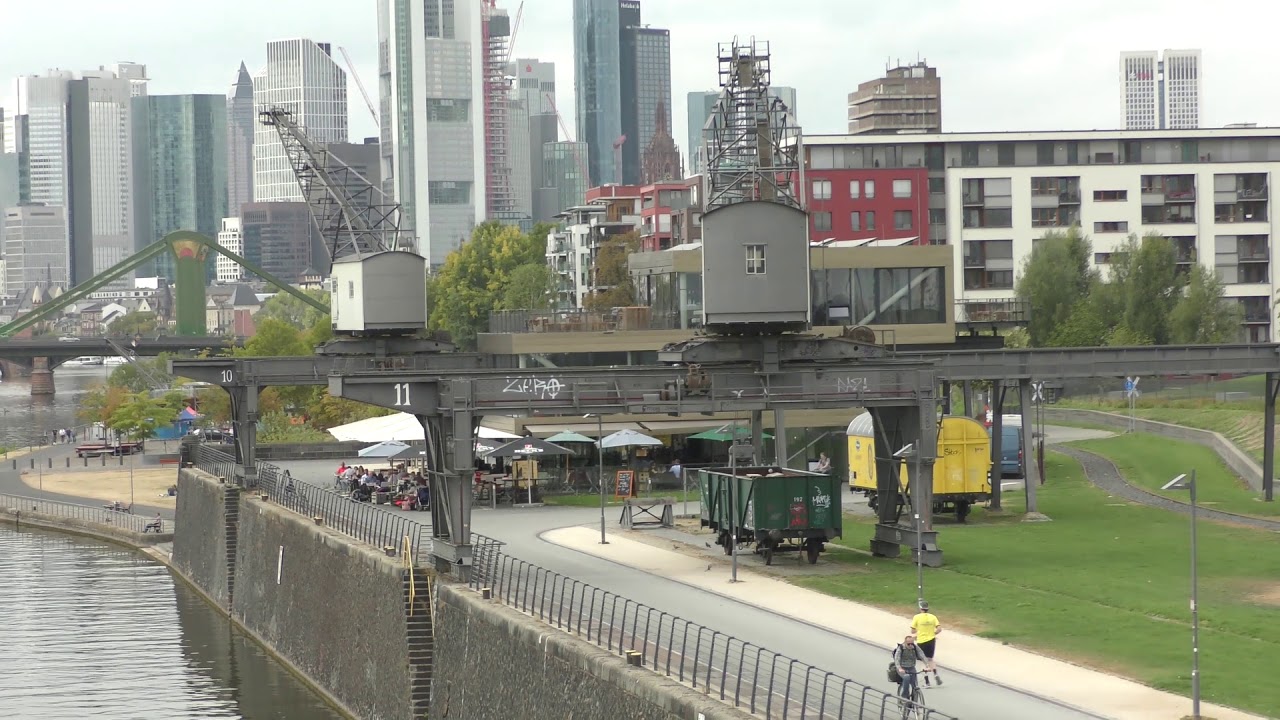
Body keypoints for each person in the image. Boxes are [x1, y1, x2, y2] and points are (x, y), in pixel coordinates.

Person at [911, 600, 943, 686]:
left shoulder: (917, 617)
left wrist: (918, 632)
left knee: (923, 660)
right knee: (930, 659)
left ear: (920, 608)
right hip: (931, 640)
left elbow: (912, 630)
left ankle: (927, 682)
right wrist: (933, 633)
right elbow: (939, 629)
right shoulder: (933, 617)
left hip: (921, 641)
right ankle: (935, 674)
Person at [892, 634, 927, 701]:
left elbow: (922, 655)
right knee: (907, 677)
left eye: (912, 643)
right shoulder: (901, 648)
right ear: (905, 643)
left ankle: (914, 700)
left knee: (915, 685)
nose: (910, 645)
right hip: (902, 668)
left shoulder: (915, 647)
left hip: (911, 668)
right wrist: (899, 668)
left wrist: (927, 665)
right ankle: (904, 696)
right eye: (908, 644)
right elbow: (897, 659)